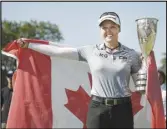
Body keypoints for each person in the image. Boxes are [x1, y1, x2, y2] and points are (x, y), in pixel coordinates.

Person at [17, 12, 142, 128]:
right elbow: (59, 52)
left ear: (119, 29)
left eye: (112, 27)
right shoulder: (90, 51)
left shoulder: (132, 55)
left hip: (122, 109)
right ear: (100, 30)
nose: (108, 31)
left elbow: (141, 88)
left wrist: (146, 64)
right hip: (98, 107)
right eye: (104, 27)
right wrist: (30, 45)